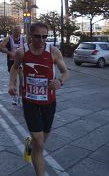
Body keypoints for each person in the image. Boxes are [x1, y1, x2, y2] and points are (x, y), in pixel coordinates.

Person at [8, 22, 70, 176]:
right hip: (30, 101)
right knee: (40, 144)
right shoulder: (22, 52)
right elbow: (15, 67)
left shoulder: (53, 51)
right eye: (37, 37)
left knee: (41, 140)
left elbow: (65, 72)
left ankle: (30, 143)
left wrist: (59, 81)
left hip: (49, 102)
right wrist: (12, 83)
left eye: (45, 37)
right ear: (30, 36)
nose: (42, 40)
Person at [0, 25, 27, 105]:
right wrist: (9, 53)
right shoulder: (8, 38)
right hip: (12, 62)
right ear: (12, 31)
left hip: (21, 61)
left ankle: (20, 96)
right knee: (14, 80)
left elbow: (27, 49)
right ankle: (14, 96)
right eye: (15, 30)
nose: (17, 32)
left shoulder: (23, 39)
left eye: (18, 30)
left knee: (22, 79)